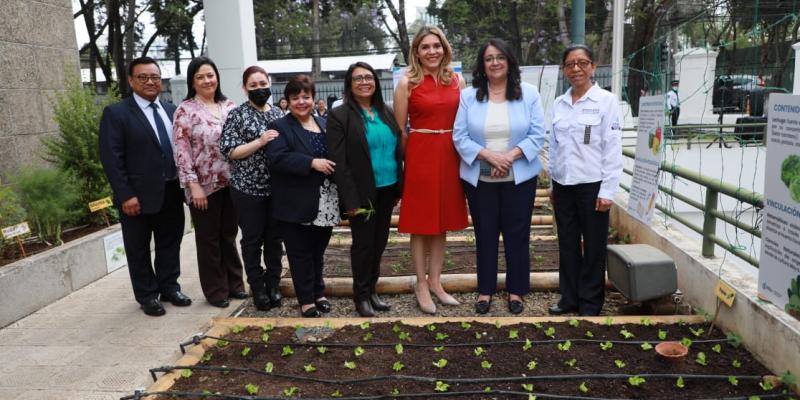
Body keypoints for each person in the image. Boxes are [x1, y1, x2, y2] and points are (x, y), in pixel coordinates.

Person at [452, 39, 545, 315]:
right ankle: (486, 290)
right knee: (485, 233)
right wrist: (490, 156)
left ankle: (516, 291)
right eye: (489, 58)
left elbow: (537, 134)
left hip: (520, 176)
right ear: (482, 65)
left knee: (518, 234)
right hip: (480, 179)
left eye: (500, 57)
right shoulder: (469, 96)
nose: (495, 63)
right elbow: (460, 136)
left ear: (509, 61)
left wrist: (508, 157)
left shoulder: (529, 93)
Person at [99, 57, 191, 316]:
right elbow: (111, 158)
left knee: (169, 244)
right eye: (143, 77)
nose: (150, 82)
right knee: (138, 248)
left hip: (171, 191)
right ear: (131, 81)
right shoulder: (117, 113)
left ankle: (169, 287)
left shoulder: (172, 111)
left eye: (155, 77)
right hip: (137, 197)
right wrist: (125, 194)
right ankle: (147, 295)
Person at [393, 26, 468, 314]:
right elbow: (400, 130)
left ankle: (436, 282)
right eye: (425, 46)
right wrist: (405, 166)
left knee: (442, 220)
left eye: (436, 45)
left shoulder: (457, 81)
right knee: (421, 222)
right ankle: (421, 284)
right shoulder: (407, 83)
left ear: (444, 48)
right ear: (416, 51)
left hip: (450, 154)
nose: (432, 51)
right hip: (420, 155)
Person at [548, 44, 623, 316]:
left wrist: (608, 191)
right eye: (570, 64)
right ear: (564, 70)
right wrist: (552, 185)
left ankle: (590, 302)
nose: (576, 68)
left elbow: (612, 148)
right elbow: (554, 147)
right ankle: (569, 298)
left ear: (593, 67)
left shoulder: (606, 101)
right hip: (563, 185)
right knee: (567, 244)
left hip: (592, 185)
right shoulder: (559, 103)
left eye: (582, 63)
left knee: (593, 246)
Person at [327, 62, 403, 317]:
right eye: (358, 78)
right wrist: (350, 200)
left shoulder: (386, 112)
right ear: (349, 84)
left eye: (368, 77)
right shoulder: (340, 116)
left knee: (379, 243)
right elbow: (339, 162)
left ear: (376, 82)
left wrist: (399, 188)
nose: (364, 82)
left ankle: (372, 290)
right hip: (361, 194)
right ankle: (360, 297)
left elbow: (396, 150)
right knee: (363, 245)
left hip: (387, 189)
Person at [172, 57, 242, 308]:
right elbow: (181, 152)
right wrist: (193, 185)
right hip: (203, 187)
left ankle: (235, 284)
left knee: (229, 236)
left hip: (232, 183)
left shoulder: (230, 106)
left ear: (217, 77)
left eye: (210, 75)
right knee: (208, 240)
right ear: (193, 82)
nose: (206, 80)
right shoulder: (185, 110)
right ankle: (216, 291)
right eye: (200, 77)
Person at [266, 75, 338, 318]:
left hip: (326, 201)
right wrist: (311, 163)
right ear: (287, 101)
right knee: (300, 253)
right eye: (295, 97)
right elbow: (277, 158)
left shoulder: (325, 123)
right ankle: (306, 300)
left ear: (313, 98)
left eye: (306, 97)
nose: (301, 101)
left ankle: (319, 292)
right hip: (295, 202)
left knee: (318, 251)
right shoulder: (279, 126)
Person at [219, 66, 284, 311]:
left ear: (269, 84)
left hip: (276, 189)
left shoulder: (278, 113)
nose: (259, 89)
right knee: (252, 240)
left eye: (263, 84)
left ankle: (274, 284)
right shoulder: (237, 115)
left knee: (275, 240)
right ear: (245, 88)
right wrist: (259, 141)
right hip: (247, 190)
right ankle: (257, 288)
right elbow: (230, 151)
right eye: (253, 85)